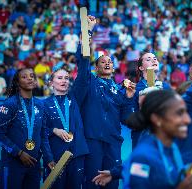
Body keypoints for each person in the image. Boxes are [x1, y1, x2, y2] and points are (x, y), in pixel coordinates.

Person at [76, 22, 136, 188]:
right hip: (93, 140)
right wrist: (87, 33)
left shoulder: (119, 90)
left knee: (112, 183)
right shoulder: (89, 83)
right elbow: (82, 63)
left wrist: (130, 98)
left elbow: (126, 119)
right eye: (103, 62)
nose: (107, 63)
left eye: (110, 61)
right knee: (92, 183)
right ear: (96, 67)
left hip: (113, 142)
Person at [42, 15, 95, 188]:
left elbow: (84, 69)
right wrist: (54, 130)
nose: (64, 80)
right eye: (59, 78)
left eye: (66, 78)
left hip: (77, 154)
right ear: (51, 82)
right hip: (55, 156)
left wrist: (86, 35)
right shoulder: (43, 105)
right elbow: (40, 131)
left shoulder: (74, 98)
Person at [0, 68, 55, 188]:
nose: (30, 78)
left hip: (34, 164)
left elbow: (43, 135)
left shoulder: (40, 105)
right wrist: (19, 153)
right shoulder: (10, 104)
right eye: (24, 77)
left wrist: (49, 158)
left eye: (32, 76)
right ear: (17, 82)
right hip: (12, 164)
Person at [122, 90, 192, 189]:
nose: (188, 120)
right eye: (179, 113)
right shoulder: (143, 157)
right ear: (157, 119)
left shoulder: (172, 146)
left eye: (186, 112)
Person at [131, 52, 171, 149]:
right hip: (143, 137)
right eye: (148, 59)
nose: (153, 60)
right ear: (141, 68)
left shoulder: (165, 87)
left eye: (155, 58)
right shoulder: (134, 89)